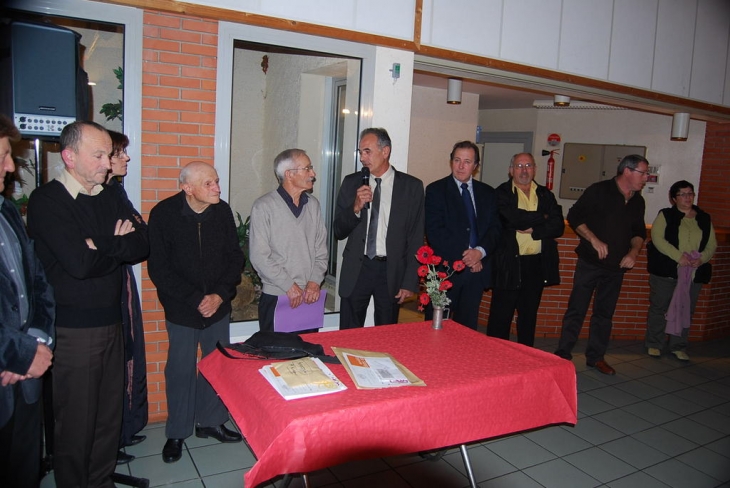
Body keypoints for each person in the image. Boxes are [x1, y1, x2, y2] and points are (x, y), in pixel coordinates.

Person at [26, 121, 149, 487]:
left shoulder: (108, 194)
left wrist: (100, 245)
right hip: (73, 330)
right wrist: (113, 244)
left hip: (112, 322)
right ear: (69, 156)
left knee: (108, 418)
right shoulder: (47, 201)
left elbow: (143, 243)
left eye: (108, 155)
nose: (108, 164)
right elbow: (79, 264)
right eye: (99, 155)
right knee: (76, 422)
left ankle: (100, 482)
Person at [148, 161, 245, 464]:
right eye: (209, 184)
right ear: (187, 188)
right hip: (182, 309)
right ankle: (177, 432)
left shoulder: (223, 211)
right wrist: (195, 299)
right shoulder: (163, 214)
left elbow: (235, 258)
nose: (217, 188)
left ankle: (210, 422)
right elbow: (159, 270)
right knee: (179, 370)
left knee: (217, 366)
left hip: (218, 306)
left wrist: (219, 295)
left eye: (216, 182)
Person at [554, 154, 648, 375]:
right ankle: (563, 355)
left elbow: (638, 232)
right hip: (590, 263)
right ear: (627, 171)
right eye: (642, 173)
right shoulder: (599, 190)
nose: (646, 177)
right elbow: (574, 216)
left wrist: (634, 252)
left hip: (616, 268)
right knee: (577, 309)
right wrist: (594, 239)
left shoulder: (638, 200)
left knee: (604, 314)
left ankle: (596, 358)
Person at [0, 114, 55, 488]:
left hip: (26, 374)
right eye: (3, 155)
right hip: (10, 368)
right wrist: (17, 354)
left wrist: (36, 340)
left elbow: (37, 282)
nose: (9, 166)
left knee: (24, 471)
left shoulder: (7, 212)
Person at [333, 128, 424, 329]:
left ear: (385, 151)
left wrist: (410, 281)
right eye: (360, 152)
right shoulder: (351, 183)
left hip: (390, 271)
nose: (362, 158)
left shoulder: (412, 187)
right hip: (358, 268)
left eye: (367, 151)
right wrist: (355, 207)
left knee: (386, 334)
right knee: (349, 333)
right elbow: (338, 230)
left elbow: (415, 238)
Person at [487, 153, 564, 345]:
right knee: (501, 316)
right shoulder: (501, 193)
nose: (524, 170)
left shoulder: (546, 194)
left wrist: (535, 228)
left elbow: (558, 226)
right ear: (511, 170)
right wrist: (543, 217)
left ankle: (525, 358)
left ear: (535, 169)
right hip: (509, 263)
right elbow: (513, 218)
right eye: (519, 166)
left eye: (528, 165)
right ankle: (496, 357)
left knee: (529, 316)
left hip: (536, 265)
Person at [424, 141, 501, 330]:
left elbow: (495, 228)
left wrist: (480, 253)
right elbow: (435, 232)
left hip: (476, 273)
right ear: (451, 162)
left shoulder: (488, 193)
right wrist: (469, 257)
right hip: (447, 272)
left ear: (475, 166)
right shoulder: (436, 190)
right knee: (437, 327)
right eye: (457, 160)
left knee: (467, 330)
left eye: (467, 162)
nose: (461, 166)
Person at [249, 149, 328, 332]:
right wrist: (289, 286)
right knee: (278, 358)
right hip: (279, 297)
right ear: (289, 175)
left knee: (307, 357)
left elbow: (321, 251)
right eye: (307, 169)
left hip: (309, 297)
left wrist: (315, 282)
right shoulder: (264, 206)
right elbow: (259, 256)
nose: (313, 174)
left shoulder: (313, 205)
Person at [106, 130, 148, 465]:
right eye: (120, 153)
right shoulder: (98, 195)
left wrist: (124, 240)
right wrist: (121, 241)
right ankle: (112, 437)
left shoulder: (116, 191)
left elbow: (141, 238)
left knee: (130, 350)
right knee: (115, 358)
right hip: (108, 282)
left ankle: (127, 427)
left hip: (122, 277)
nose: (126, 158)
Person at [645, 180, 716, 361]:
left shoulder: (703, 217)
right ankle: (654, 344)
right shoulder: (666, 215)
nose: (688, 197)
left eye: (690, 193)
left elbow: (711, 244)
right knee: (660, 307)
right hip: (667, 271)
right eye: (683, 194)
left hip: (693, 274)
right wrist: (679, 257)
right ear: (674, 198)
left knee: (686, 309)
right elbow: (658, 239)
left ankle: (678, 345)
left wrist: (701, 259)